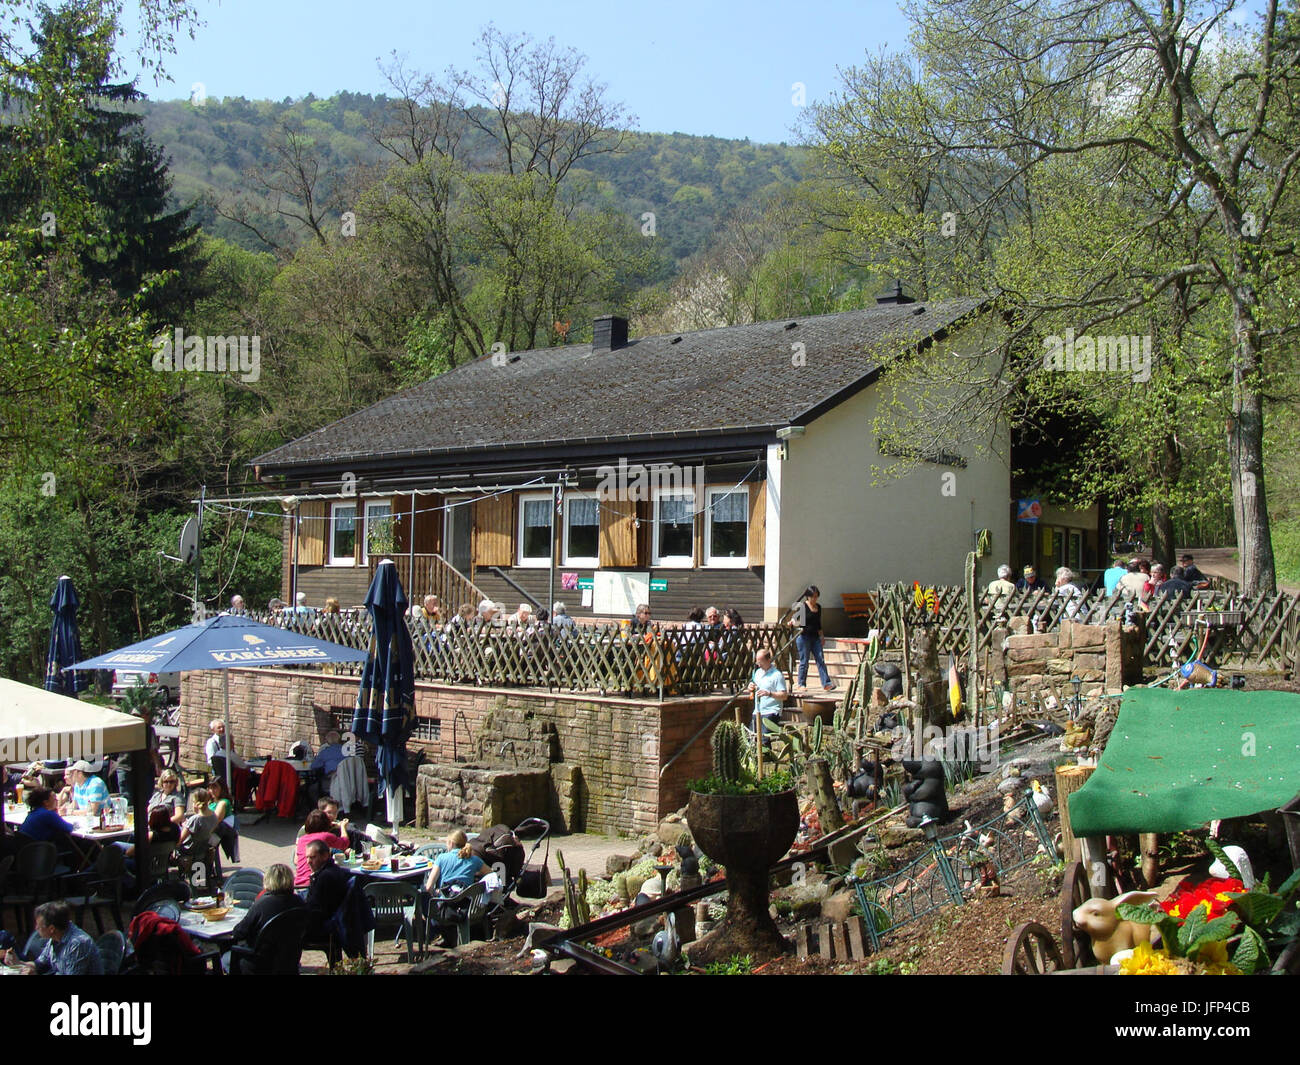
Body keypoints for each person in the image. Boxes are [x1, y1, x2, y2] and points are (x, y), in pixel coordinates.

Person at [223, 862, 304, 972]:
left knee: (225, 958)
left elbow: (239, 932)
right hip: (288, 961)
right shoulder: (299, 902)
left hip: (259, 963)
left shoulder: (262, 904)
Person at [6, 900, 102, 975]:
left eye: (38, 926)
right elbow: (40, 964)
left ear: (51, 928)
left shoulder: (77, 944)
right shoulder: (56, 937)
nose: (35, 928)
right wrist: (18, 963)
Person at [303, 839, 351, 938]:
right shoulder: (333, 870)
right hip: (331, 921)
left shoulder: (325, 877)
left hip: (324, 926)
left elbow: (316, 909)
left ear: (325, 856)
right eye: (307, 857)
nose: (308, 862)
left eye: (312, 857)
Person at [791, 585, 834, 691]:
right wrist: (792, 622)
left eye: (816, 596)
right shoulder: (802, 606)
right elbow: (795, 619)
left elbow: (818, 623)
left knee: (820, 659)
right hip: (804, 637)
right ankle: (801, 684)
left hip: (815, 638)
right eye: (813, 597)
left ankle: (826, 683)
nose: (815, 599)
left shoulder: (818, 607)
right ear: (808, 596)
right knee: (804, 661)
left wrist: (822, 636)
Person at [294, 809, 351, 887]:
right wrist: (343, 827)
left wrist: (332, 826)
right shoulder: (325, 836)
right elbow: (345, 843)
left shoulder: (302, 839)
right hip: (314, 883)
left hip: (298, 884)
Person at [423, 829, 492, 893]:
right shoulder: (475, 860)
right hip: (466, 903)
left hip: (444, 902)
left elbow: (429, 887)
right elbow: (491, 874)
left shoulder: (441, 858)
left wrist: (436, 893)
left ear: (451, 843)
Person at [748, 648, 789, 734]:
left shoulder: (777, 675)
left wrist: (769, 693)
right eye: (757, 662)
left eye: (761, 662)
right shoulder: (758, 672)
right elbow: (754, 687)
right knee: (751, 739)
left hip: (771, 711)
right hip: (757, 711)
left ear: (768, 660)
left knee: (764, 740)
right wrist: (750, 687)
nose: (759, 665)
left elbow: (784, 695)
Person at [176, 788, 217, 861]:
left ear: (195, 803)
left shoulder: (195, 819)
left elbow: (180, 840)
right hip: (203, 849)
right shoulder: (214, 816)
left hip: (189, 850)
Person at [208, 777, 239, 862]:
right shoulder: (211, 802)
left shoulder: (223, 802)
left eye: (215, 787)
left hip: (217, 833)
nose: (212, 790)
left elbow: (216, 820)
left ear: (222, 788)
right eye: (210, 788)